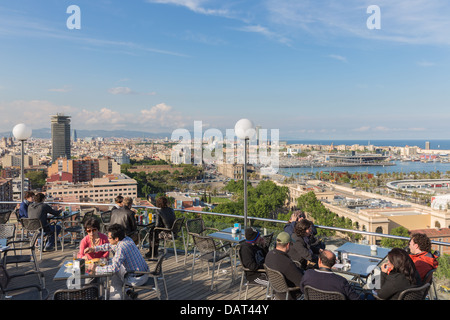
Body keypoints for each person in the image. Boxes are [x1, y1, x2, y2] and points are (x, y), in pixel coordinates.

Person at [84, 223, 149, 300]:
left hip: (136, 279)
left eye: (109, 238)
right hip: (145, 273)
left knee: (115, 274)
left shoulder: (121, 248)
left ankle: (114, 298)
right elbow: (110, 246)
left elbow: (113, 268)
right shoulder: (127, 239)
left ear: (116, 239)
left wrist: (96, 268)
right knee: (113, 263)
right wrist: (94, 249)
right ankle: (127, 291)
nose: (108, 239)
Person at [264, 231, 304, 299]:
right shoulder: (287, 263)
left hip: (278, 292)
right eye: (291, 244)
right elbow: (301, 283)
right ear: (288, 245)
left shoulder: (269, 254)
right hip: (290, 294)